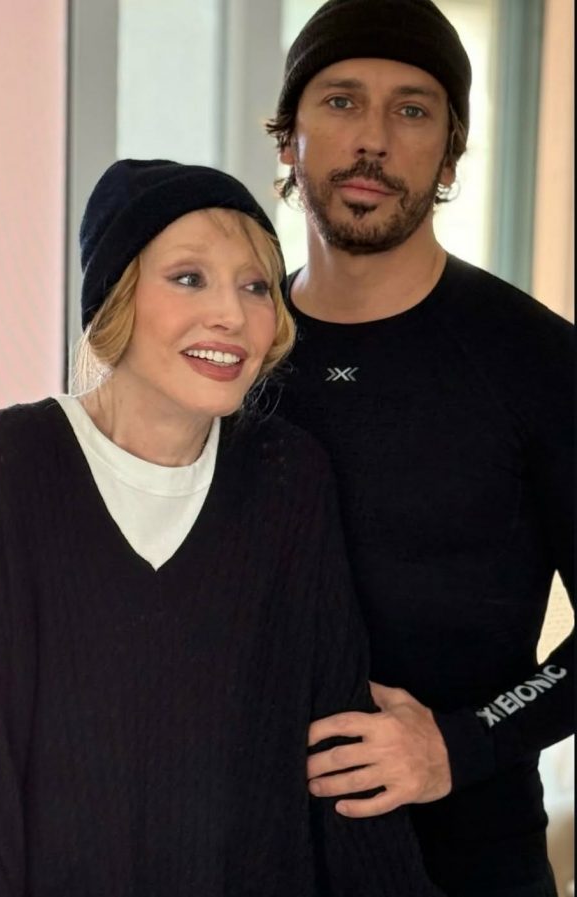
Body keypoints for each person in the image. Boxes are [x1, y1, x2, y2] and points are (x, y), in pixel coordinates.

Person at [0, 159, 443, 896]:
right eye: (189, 278)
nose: (232, 315)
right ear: (117, 294)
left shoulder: (289, 475)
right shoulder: (16, 462)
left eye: (256, 286)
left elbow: (336, 747)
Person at [264, 1, 574, 896]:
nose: (372, 139)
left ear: (449, 154)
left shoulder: (537, 360)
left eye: (411, 110)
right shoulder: (231, 356)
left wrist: (459, 742)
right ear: (288, 137)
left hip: (469, 868)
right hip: (248, 853)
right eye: (341, 101)